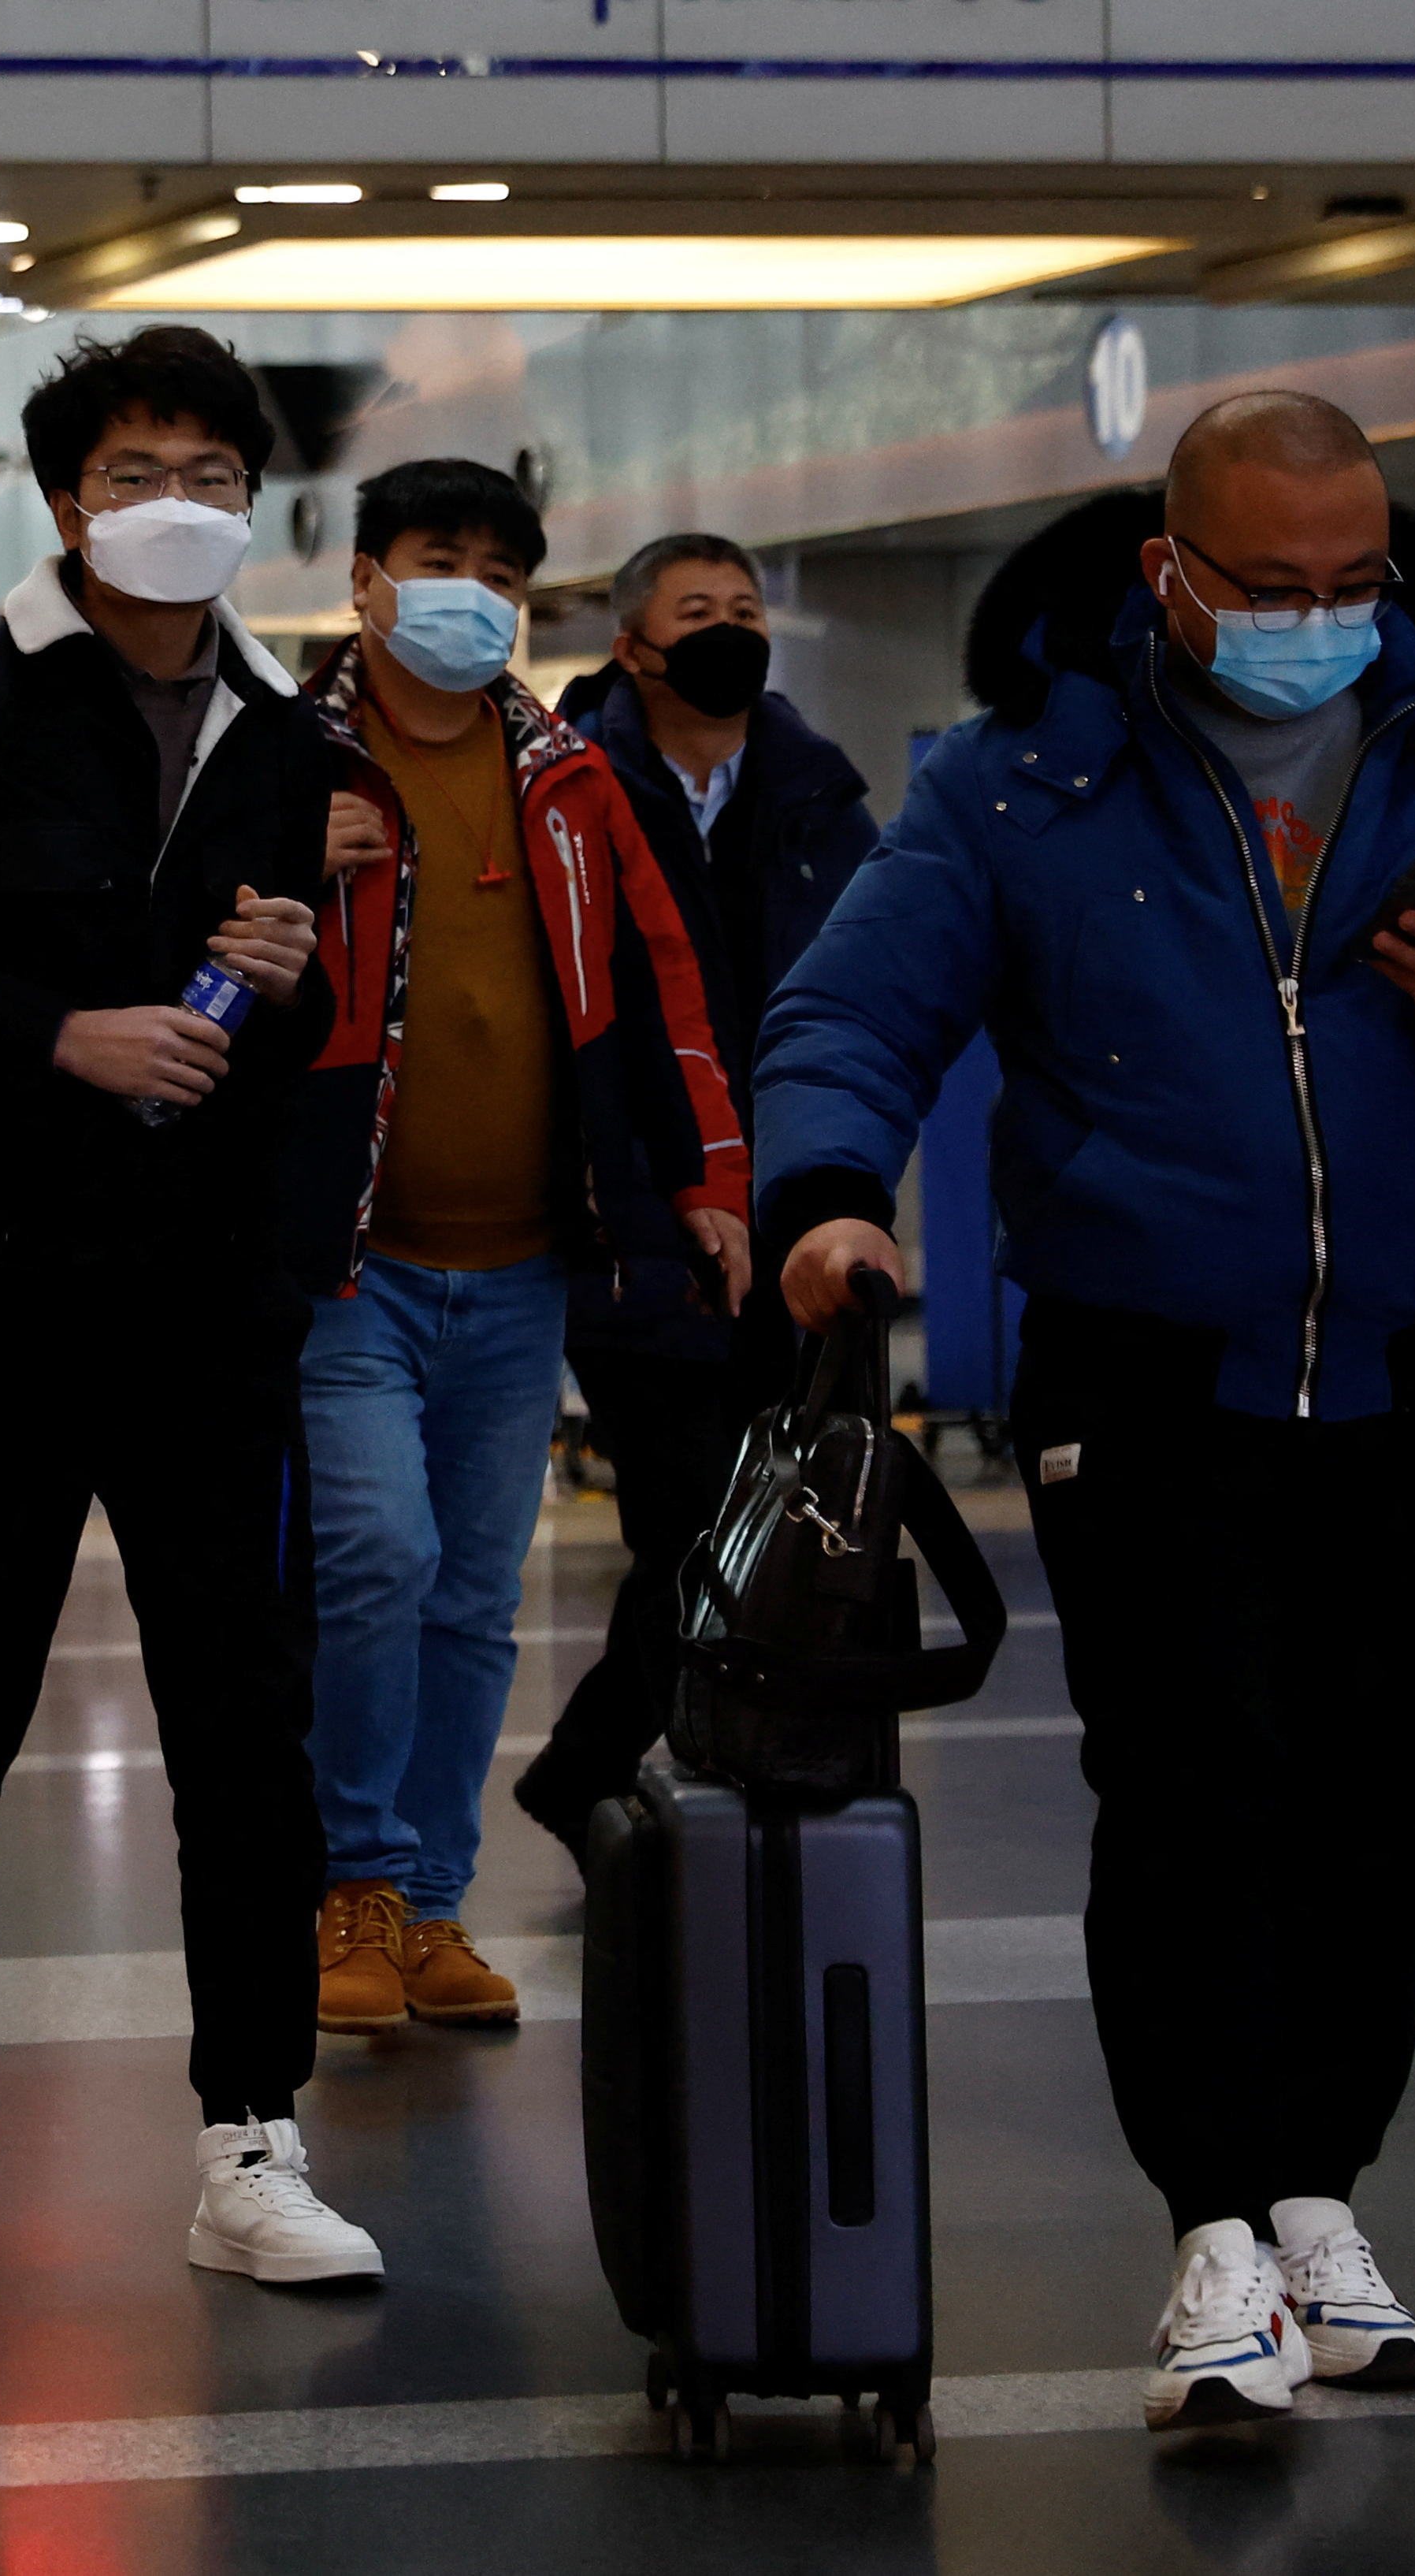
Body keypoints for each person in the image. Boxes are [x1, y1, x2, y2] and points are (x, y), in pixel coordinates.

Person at [757, 392, 1415, 2430]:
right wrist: (821, 1200)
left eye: (1351, 585)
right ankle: (1208, 2237)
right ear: (1164, 568)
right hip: (1149, 1373)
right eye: (1267, 587)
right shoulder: (1021, 789)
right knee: (1186, 1785)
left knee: (1372, 1801)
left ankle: (1318, 2198)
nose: (1313, 620)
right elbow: (850, 1008)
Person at [0, 325, 364, 2280]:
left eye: (214, 473)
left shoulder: (287, 738)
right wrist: (62, 1036)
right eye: (137, 473)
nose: (177, 507)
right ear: (61, 501)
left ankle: (251, 2130)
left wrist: (274, 987)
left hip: (205, 1302)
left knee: (245, 1717)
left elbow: (281, 1044)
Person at [286, 466, 750, 2036]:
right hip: (346, 1259)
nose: (468, 591)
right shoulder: (284, 761)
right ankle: (346, 1875)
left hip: (522, 1263)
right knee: (376, 1559)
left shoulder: (566, 777)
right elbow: (188, 950)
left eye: (497, 569)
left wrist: (707, 1179)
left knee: (474, 1594)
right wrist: (290, 863)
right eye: (436, 561)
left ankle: (423, 1904)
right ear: (362, 581)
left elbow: (660, 983)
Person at [508, 531, 878, 1849]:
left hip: (790, 1209)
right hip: (639, 1219)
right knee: (686, 1516)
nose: (728, 628)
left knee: (763, 1518)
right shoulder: (561, 790)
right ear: (631, 645)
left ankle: (647, 1769)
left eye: (743, 607)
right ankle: (592, 1769)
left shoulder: (818, 795)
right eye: (695, 610)